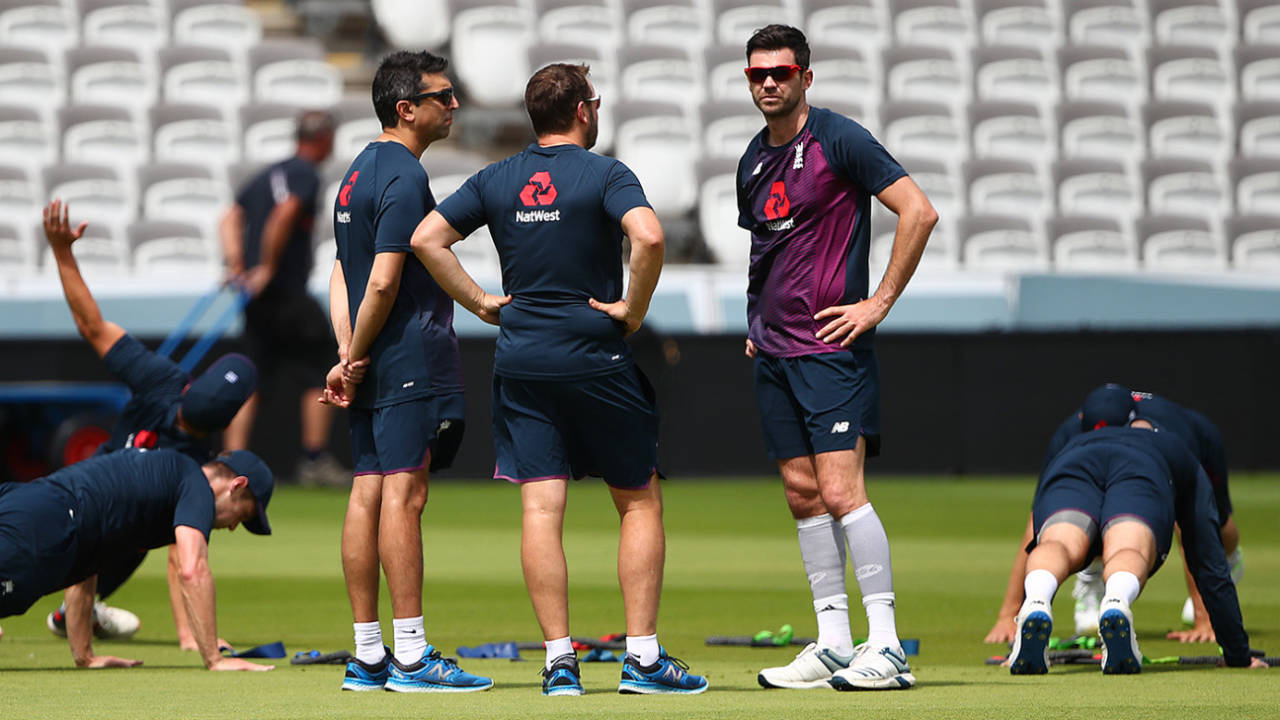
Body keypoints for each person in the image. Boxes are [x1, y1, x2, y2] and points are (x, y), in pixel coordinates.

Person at [410, 62, 707, 696]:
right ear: (581, 111)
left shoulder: (496, 177)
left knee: (541, 508)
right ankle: (644, 661)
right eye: (593, 102)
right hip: (595, 358)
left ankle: (558, 662)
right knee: (638, 498)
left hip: (522, 360)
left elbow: (427, 240)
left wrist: (482, 303)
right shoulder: (607, 174)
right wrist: (633, 309)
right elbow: (649, 236)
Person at [734, 26, 936, 691]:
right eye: (757, 74)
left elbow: (918, 212)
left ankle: (888, 646)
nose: (769, 83)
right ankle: (832, 643)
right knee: (801, 494)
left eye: (781, 73)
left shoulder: (839, 139)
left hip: (831, 350)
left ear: (805, 78)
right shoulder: (750, 161)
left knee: (844, 491)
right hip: (775, 352)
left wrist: (876, 303)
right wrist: (755, 320)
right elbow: (767, 249)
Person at [321, 50, 491, 694]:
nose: (453, 105)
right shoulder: (401, 174)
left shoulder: (355, 172)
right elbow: (385, 279)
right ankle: (413, 656)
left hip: (371, 362)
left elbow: (343, 271)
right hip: (407, 362)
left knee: (367, 491)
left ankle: (369, 656)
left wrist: (346, 354)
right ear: (406, 108)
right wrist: (357, 356)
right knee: (404, 496)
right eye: (442, 97)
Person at [40, 200, 258, 650]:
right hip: (78, 499)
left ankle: (78, 609)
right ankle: (69, 603)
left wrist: (189, 634)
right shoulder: (164, 383)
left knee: (140, 533)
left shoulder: (197, 458)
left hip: (112, 521)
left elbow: (184, 550)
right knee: (31, 557)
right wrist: (63, 254)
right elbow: (92, 325)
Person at [983, 383, 1243, 644]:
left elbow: (1192, 529)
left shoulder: (1176, 439)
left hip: (1190, 442)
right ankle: (1111, 595)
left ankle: (1230, 561)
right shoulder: (1067, 434)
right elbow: (1036, 523)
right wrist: (1008, 615)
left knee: (1218, 526)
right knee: (1108, 530)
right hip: (1127, 472)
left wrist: (1205, 618)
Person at [1006, 419, 1266, 674]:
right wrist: (1237, 652)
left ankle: (1037, 601)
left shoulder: (1073, 439)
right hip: (1141, 469)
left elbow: (1034, 529)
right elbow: (1209, 559)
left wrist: (1014, 635)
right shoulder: (1175, 445)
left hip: (1073, 466)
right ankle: (1116, 601)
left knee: (1058, 544)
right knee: (1127, 550)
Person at [0, 447, 276, 672]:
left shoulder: (159, 481)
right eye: (243, 515)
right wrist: (215, 659)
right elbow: (192, 570)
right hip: (43, 523)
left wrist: (85, 656)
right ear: (237, 485)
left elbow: (86, 567)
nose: (232, 527)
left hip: (28, 503)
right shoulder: (196, 485)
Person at [219, 110, 346, 487]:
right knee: (325, 364)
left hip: (257, 299)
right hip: (286, 292)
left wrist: (237, 263)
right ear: (323, 139)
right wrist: (268, 267)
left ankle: (231, 462)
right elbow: (285, 212)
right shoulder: (305, 173)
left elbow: (229, 218)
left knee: (251, 377)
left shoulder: (266, 174)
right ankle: (313, 459)